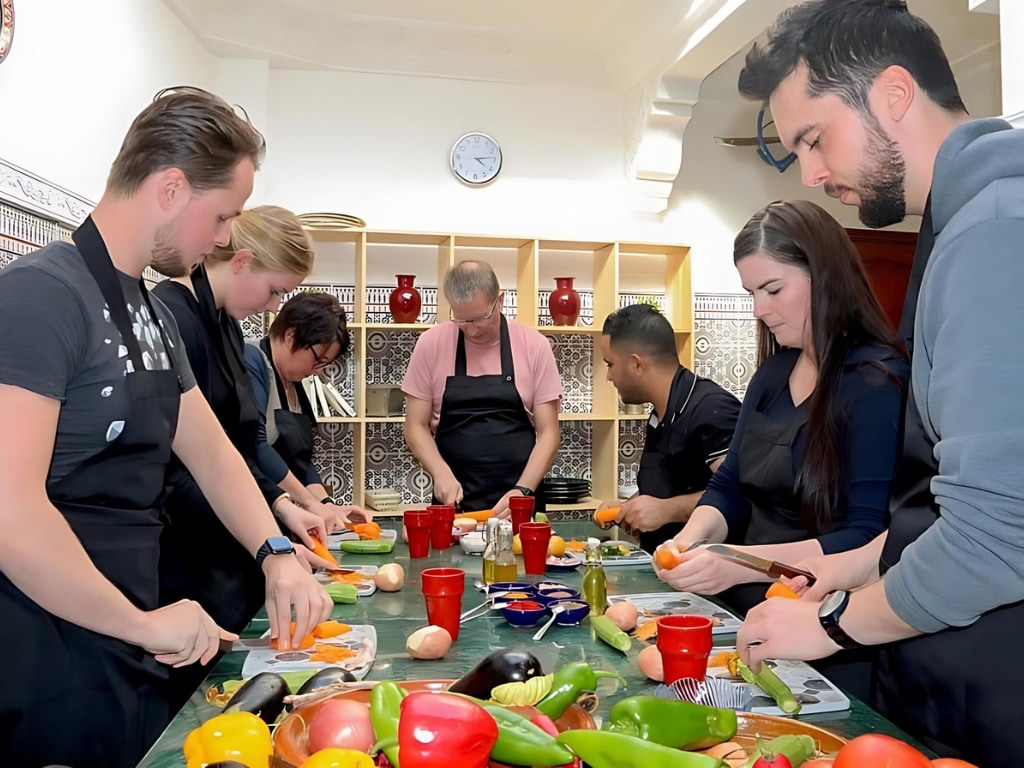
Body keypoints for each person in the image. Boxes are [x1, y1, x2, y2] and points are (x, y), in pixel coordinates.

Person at [0, 87, 330, 768]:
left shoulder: (146, 311)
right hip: (44, 644)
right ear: (172, 187)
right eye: (222, 217)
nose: (220, 238)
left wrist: (274, 552)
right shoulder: (40, 296)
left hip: (127, 635)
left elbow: (211, 452)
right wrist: (138, 623)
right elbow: (10, 511)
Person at [732, 3, 1024, 765]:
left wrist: (829, 625)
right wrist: (855, 563)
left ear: (893, 95)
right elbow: (944, 495)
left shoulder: (995, 228)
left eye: (813, 138)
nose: (813, 175)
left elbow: (998, 535)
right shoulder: (963, 219)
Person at [655, 200, 907, 620]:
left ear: (825, 278)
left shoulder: (875, 382)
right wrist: (688, 541)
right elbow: (729, 487)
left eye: (773, 290)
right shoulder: (773, 374)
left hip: (821, 618)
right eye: (751, 293)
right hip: (745, 608)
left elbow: (864, 535)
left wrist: (740, 563)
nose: (758, 309)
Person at [403, 260, 562, 516]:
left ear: (499, 301)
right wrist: (440, 473)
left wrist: (522, 491)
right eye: (461, 319)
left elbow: (549, 434)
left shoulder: (534, 345)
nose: (471, 330)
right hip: (454, 504)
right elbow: (415, 426)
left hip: (520, 501)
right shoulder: (430, 344)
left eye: (479, 318)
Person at [594, 304, 740, 552]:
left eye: (610, 364)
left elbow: (740, 496)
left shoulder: (712, 409)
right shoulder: (659, 413)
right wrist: (631, 507)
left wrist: (667, 510)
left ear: (637, 365)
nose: (609, 377)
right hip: (665, 567)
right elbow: (673, 486)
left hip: (708, 579)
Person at [244, 291, 371, 526]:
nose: (317, 370)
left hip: (288, 518)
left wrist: (327, 504)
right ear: (291, 336)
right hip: (253, 514)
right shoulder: (252, 361)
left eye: (324, 363)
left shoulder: (295, 382)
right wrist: (309, 503)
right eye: (318, 359)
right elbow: (255, 444)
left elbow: (300, 460)